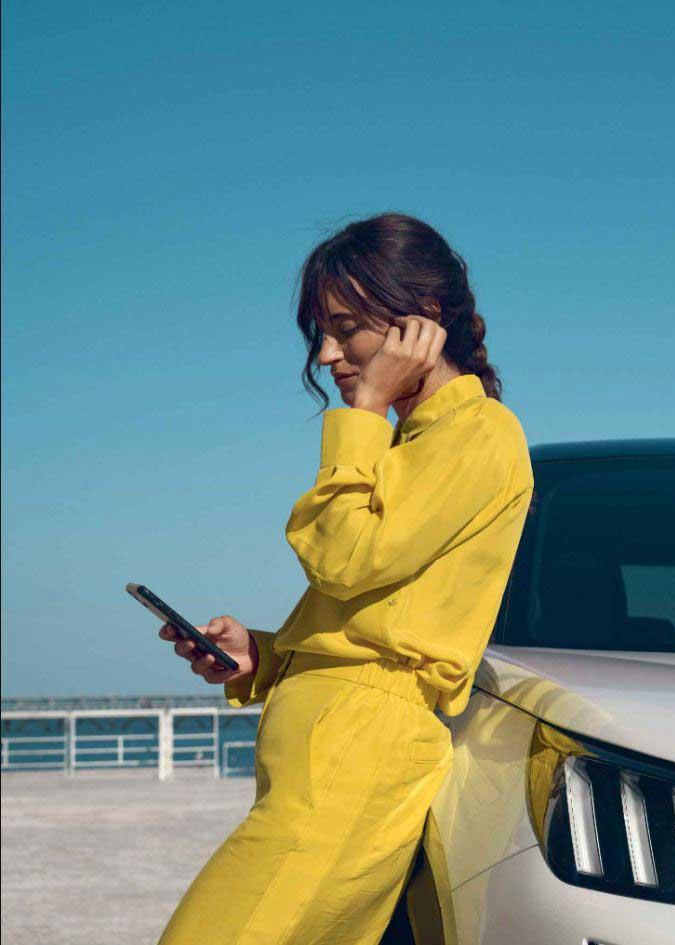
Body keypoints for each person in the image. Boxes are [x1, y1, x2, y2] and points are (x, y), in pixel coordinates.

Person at [155, 212, 534, 945]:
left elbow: (345, 558)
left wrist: (361, 413)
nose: (328, 354)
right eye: (319, 334)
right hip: (327, 749)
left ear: (420, 322)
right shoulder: (407, 446)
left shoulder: (480, 434)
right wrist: (262, 656)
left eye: (344, 327)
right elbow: (369, 606)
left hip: (358, 751)